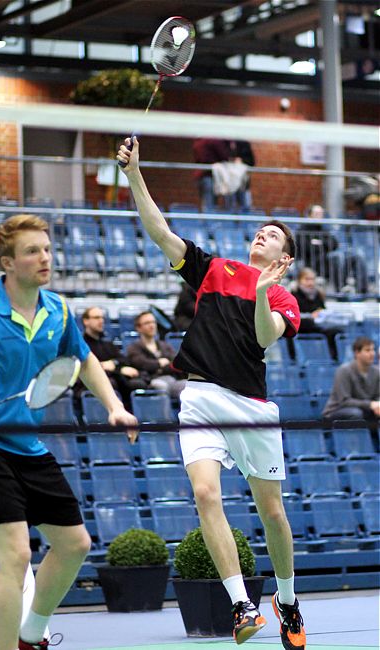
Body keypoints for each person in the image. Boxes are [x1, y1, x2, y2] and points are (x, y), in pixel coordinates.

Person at [117, 137, 306, 649]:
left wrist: (265, 290)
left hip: (251, 406)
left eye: (273, 235)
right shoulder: (216, 269)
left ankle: (287, 601)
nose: (262, 234)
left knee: (273, 515)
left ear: (284, 257)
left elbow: (266, 339)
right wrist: (136, 174)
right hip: (199, 397)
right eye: (260, 229)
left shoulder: (284, 296)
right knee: (204, 493)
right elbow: (161, 233)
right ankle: (241, 602)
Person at [0, 215, 138, 650]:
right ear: (8, 263)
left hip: (27, 445)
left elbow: (84, 359)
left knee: (74, 544)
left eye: (48, 249)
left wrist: (115, 407)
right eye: (32, 251)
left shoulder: (57, 309)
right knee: (15, 555)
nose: (45, 258)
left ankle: (30, 636)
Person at [79, 306, 148, 410]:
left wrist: (114, 364)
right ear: (86, 321)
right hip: (89, 383)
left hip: (115, 377)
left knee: (138, 383)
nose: (101, 321)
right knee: (111, 383)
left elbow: (123, 360)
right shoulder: (81, 344)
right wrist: (106, 366)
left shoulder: (107, 343)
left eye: (102, 318)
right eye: (97, 317)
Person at [296, 204, 368, 293]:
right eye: (317, 214)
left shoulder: (324, 229)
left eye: (321, 214)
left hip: (330, 261)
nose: (320, 216)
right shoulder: (302, 230)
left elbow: (334, 244)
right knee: (337, 257)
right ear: (310, 215)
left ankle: (362, 291)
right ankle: (341, 288)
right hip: (314, 263)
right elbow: (306, 248)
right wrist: (324, 245)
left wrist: (319, 243)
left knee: (357, 256)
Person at [126, 311, 187, 399]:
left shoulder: (165, 345)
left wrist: (160, 368)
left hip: (172, 379)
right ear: (138, 328)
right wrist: (160, 363)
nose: (152, 325)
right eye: (147, 323)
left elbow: (175, 362)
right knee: (160, 386)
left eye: (153, 322)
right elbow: (142, 364)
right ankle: (163, 413)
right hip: (151, 381)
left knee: (187, 385)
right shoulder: (133, 348)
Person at [323, 336, 380, 423]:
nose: (372, 353)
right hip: (336, 411)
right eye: (367, 350)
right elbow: (344, 401)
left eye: (373, 350)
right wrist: (370, 404)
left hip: (364, 409)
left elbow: (378, 396)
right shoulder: (344, 371)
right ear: (357, 353)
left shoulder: (377, 372)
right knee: (355, 413)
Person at [291, 267, 344, 359]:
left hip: (317, 325)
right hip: (302, 327)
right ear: (299, 280)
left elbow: (322, 310)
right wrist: (311, 316)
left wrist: (322, 313)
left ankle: (333, 360)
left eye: (312, 279)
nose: (310, 282)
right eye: (307, 279)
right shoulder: (294, 294)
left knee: (338, 331)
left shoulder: (318, 294)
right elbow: (293, 316)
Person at [192, 138, 230, 211]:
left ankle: (207, 219)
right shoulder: (213, 140)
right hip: (210, 175)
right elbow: (224, 155)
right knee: (210, 204)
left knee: (205, 203)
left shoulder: (197, 142)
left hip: (200, 175)